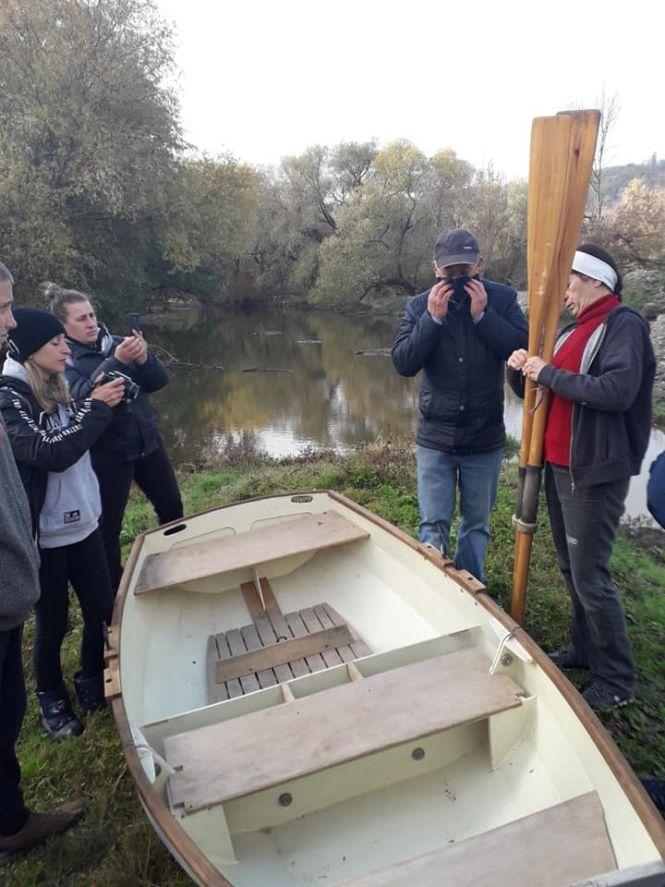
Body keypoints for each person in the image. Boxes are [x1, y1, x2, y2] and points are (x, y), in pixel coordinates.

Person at [507, 244, 655, 711]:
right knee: (573, 568)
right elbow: (547, 389)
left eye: (570, 282)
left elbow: (617, 390)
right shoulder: (577, 330)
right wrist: (522, 370)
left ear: (594, 280)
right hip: (559, 464)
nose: (565, 292)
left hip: (592, 469)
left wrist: (548, 371)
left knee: (590, 574)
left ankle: (616, 681)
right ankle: (585, 649)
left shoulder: (623, 325)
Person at [0, 308, 125, 738]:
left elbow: (80, 436)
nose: (66, 347)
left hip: (85, 523)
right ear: (32, 350)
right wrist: (96, 411)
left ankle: (91, 680)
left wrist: (103, 400)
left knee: (100, 610)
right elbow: (49, 451)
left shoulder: (61, 383)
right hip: (46, 535)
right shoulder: (9, 396)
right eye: (56, 343)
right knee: (53, 624)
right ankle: (51, 699)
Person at [0, 263, 84, 862]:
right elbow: (51, 455)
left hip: (11, 587)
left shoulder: (46, 385)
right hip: (16, 577)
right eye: (0, 309)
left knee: (5, 716)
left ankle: (10, 822)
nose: (8, 323)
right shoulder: (12, 393)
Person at [392, 228, 528, 582]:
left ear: (479, 264)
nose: (457, 280)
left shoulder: (502, 299)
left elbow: (522, 350)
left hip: (484, 439)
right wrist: (431, 321)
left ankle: (472, 594)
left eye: (464, 272)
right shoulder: (419, 306)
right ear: (436, 268)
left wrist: (484, 317)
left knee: (476, 527)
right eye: (450, 273)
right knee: (432, 524)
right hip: (435, 438)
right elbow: (404, 363)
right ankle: (435, 592)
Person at [48, 285, 183, 591]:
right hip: (107, 454)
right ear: (63, 326)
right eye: (81, 318)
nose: (90, 322)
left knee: (173, 509)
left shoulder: (119, 343)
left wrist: (146, 357)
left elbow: (158, 381)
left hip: (148, 443)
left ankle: (174, 570)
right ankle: (118, 593)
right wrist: (117, 361)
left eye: (92, 315)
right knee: (109, 529)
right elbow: (78, 395)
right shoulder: (63, 358)